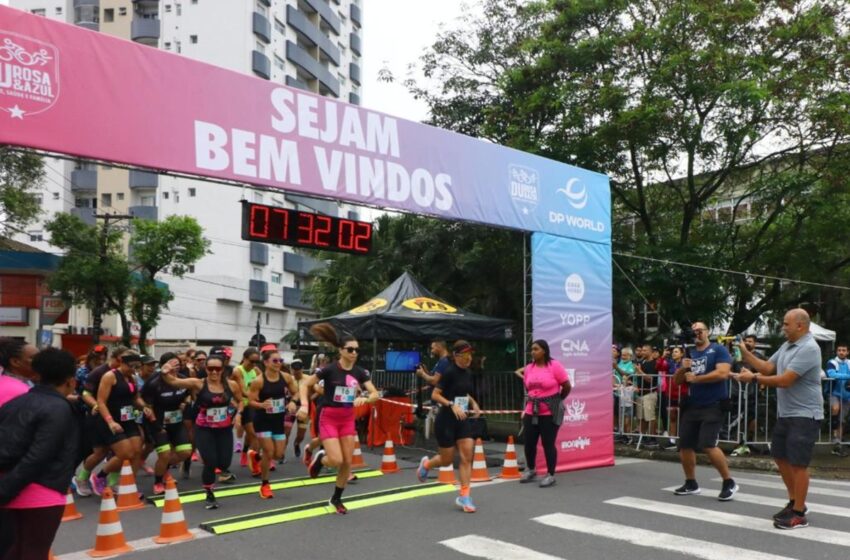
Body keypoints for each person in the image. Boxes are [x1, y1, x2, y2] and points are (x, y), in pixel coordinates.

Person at [738, 309, 825, 529]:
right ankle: (794, 501)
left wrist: (754, 378)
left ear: (800, 326)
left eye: (786, 324)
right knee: (780, 457)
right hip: (786, 414)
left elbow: (786, 380)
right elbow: (768, 367)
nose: (783, 327)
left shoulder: (809, 348)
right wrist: (746, 354)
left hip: (805, 414)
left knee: (798, 463)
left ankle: (799, 514)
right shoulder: (787, 345)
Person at [0, 348, 80, 560]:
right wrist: (6, 490)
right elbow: (38, 456)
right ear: (71, 381)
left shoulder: (16, 403)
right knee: (33, 554)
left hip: (10, 488)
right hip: (41, 494)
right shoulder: (59, 408)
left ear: (36, 374)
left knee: (13, 552)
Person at [297, 324, 379, 514]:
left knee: (347, 462)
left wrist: (365, 397)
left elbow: (375, 393)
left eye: (357, 350)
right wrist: (303, 405)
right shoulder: (329, 370)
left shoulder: (360, 372)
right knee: (335, 459)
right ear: (341, 350)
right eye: (350, 349)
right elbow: (305, 385)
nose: (354, 353)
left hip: (347, 419)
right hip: (329, 417)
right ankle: (320, 459)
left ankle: (336, 499)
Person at [161, 355, 244, 509]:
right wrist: (165, 371)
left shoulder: (232, 385)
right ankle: (209, 492)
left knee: (224, 463)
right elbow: (174, 382)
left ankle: (210, 467)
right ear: (206, 369)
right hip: (204, 429)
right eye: (210, 368)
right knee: (210, 462)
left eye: (217, 369)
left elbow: (241, 402)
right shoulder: (198, 384)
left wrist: (238, 415)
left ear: (223, 370)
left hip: (224, 429)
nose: (214, 372)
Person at [671, 322, 738, 501]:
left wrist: (698, 378)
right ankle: (691, 482)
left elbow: (723, 373)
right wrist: (683, 368)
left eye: (700, 331)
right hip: (693, 404)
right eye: (694, 332)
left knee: (708, 444)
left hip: (714, 404)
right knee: (685, 445)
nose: (697, 334)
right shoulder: (689, 353)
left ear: (707, 332)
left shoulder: (718, 350)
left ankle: (728, 481)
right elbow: (677, 381)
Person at [415, 340, 482, 512]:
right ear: (456, 356)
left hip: (462, 420)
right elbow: (436, 395)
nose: (469, 358)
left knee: (467, 456)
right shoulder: (449, 372)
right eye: (465, 355)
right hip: (446, 420)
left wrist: (473, 403)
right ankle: (427, 465)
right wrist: (452, 404)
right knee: (447, 459)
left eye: (470, 354)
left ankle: (464, 496)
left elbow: (464, 392)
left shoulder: (468, 373)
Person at [515, 340, 571, 488]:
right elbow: (529, 388)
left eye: (536, 349)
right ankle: (531, 469)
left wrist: (557, 400)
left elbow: (566, 386)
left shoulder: (554, 366)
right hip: (531, 409)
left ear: (544, 351)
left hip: (551, 410)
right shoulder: (528, 368)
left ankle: (550, 474)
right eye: (531, 350)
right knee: (529, 442)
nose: (532, 352)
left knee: (548, 443)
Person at [95, 354, 153, 493]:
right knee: (125, 453)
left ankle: (129, 486)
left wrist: (143, 407)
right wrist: (110, 422)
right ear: (122, 363)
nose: (133, 369)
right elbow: (101, 402)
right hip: (112, 419)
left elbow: (135, 398)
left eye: (136, 367)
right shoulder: (110, 376)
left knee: (137, 451)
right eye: (130, 366)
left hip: (128, 418)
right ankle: (99, 476)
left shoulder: (131, 378)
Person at [248, 350, 299, 499]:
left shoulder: (286, 377)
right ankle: (265, 484)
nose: (278, 363)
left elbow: (296, 393)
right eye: (275, 361)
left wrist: (293, 402)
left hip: (278, 420)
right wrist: (261, 404)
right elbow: (250, 401)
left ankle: (255, 456)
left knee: (278, 454)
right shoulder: (259, 381)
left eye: (280, 360)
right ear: (266, 363)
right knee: (269, 452)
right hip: (262, 420)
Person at [140, 355, 193, 495]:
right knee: (164, 454)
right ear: (163, 366)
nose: (175, 368)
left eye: (177, 365)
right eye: (171, 365)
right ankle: (158, 482)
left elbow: (190, 392)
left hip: (176, 421)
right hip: (157, 422)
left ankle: (164, 470)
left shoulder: (181, 378)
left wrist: (185, 401)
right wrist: (157, 426)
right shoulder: (155, 382)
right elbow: (147, 404)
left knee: (186, 452)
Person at [231, 348, 262, 471]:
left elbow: (266, 381)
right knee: (252, 434)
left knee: (253, 434)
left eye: (256, 361)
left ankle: (248, 454)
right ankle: (254, 461)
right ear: (244, 358)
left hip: (252, 405)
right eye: (251, 361)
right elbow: (244, 391)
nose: (254, 364)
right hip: (239, 405)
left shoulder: (255, 370)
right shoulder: (237, 371)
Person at [825, 344, 850, 457]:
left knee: (842, 419)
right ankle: (833, 433)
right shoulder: (832, 362)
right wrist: (848, 376)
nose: (841, 352)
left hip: (847, 395)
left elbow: (837, 375)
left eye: (843, 350)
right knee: (835, 408)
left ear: (847, 352)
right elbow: (831, 374)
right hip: (834, 392)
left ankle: (837, 443)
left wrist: (843, 376)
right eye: (839, 350)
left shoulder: (849, 363)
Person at [634, 344, 659, 447]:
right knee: (642, 417)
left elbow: (650, 379)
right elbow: (638, 378)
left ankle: (653, 438)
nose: (642, 352)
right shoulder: (642, 362)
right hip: (640, 393)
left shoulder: (654, 363)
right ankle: (642, 436)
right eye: (642, 350)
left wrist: (640, 371)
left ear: (650, 351)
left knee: (650, 416)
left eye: (645, 350)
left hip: (650, 393)